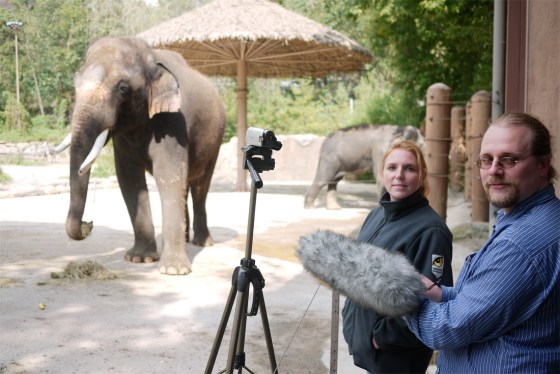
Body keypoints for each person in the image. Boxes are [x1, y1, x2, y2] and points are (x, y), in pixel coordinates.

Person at [407, 112, 560, 372]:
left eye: (509, 159)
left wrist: (395, 294)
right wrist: (441, 293)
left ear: (543, 165)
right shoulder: (527, 218)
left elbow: (448, 328)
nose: (494, 170)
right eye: (486, 160)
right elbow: (497, 301)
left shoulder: (520, 245)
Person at [342, 140, 453, 373]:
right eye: (392, 167)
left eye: (409, 168)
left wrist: (381, 337)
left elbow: (432, 298)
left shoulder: (431, 230)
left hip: (397, 355)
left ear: (421, 176)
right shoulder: (376, 215)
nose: (399, 175)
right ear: (382, 173)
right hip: (372, 352)